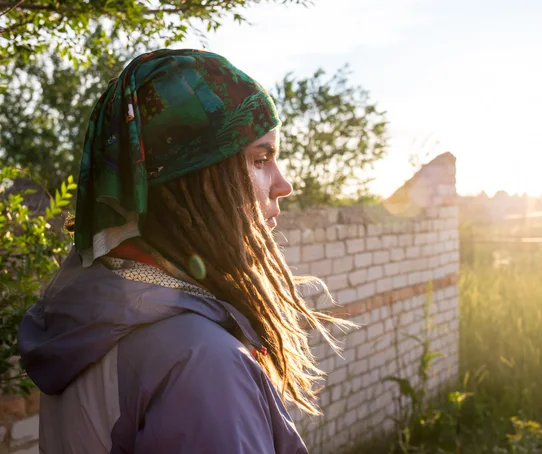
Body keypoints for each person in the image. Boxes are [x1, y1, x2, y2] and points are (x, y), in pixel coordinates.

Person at [18, 49, 348, 453]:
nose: (284, 185)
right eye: (260, 159)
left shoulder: (84, 312)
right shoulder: (199, 360)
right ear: (192, 182)